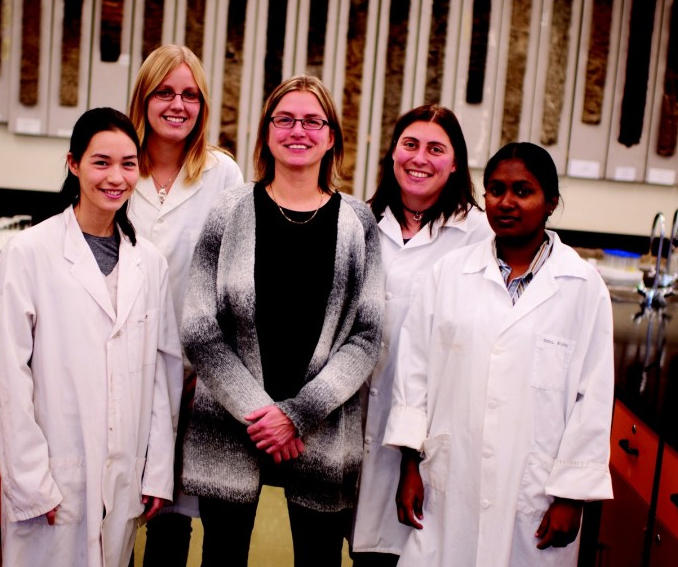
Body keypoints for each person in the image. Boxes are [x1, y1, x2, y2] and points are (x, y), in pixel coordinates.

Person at [180, 74, 384, 567]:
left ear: (331, 136)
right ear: (267, 132)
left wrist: (295, 415)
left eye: (313, 121)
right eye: (285, 119)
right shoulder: (229, 211)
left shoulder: (358, 223)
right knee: (220, 558)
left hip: (322, 428)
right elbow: (199, 328)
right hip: (230, 425)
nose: (299, 131)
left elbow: (366, 336)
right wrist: (261, 414)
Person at [384, 142, 614, 567]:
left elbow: (593, 397)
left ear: (551, 203)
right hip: (451, 476)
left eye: (523, 191)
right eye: (495, 189)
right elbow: (414, 373)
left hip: (534, 489)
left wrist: (571, 494)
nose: (506, 202)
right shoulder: (448, 275)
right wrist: (410, 464)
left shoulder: (582, 287)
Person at [0, 107, 184, 567]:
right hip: (54, 477)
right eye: (101, 162)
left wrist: (156, 473)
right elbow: (10, 380)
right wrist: (31, 482)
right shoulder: (29, 252)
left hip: (123, 476)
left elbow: (163, 374)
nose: (116, 177)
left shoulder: (148, 263)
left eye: (128, 163)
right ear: (73, 163)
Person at [351, 105, 493, 567]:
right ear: (392, 153)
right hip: (354, 419)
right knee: (358, 548)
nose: (420, 158)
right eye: (410, 144)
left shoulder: (480, 235)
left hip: (433, 430)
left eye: (437, 149)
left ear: (455, 164)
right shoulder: (361, 222)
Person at [126, 44, 244, 566]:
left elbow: (234, 275)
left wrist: (207, 361)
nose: (178, 104)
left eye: (190, 94)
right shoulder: (118, 163)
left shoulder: (221, 175)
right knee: (113, 504)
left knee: (170, 518)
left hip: (190, 373)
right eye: (165, 92)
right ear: (144, 99)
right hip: (116, 365)